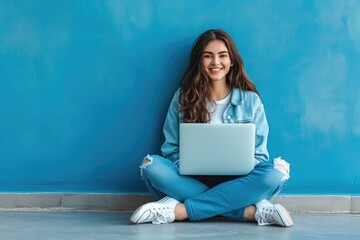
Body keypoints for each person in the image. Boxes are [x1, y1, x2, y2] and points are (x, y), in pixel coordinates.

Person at [130, 29, 293, 227]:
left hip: (239, 181)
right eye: (208, 56)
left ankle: (178, 210)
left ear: (232, 61)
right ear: (200, 61)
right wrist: (194, 164)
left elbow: (259, 156)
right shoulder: (182, 97)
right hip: (192, 179)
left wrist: (236, 165)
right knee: (151, 166)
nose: (216, 62)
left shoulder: (251, 101)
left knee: (277, 171)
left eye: (222, 55)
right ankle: (250, 211)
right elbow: (171, 150)